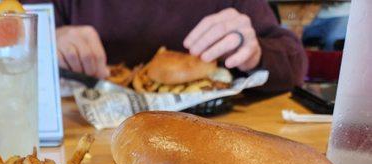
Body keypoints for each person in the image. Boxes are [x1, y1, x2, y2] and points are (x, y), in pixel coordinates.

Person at [27, 0, 307, 93]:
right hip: (86, 141)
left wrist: (254, 53)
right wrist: (43, 41)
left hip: (206, 138)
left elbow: (294, 66)